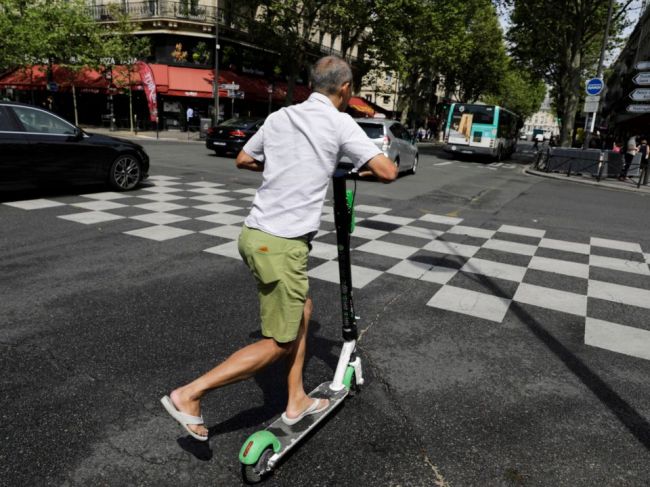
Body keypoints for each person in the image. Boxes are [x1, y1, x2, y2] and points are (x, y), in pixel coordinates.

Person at [160, 55, 397, 441]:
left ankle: (296, 399)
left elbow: (243, 159)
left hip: (254, 234)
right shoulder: (339, 122)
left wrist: (286, 169)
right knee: (278, 344)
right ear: (346, 89)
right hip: (282, 244)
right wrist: (345, 169)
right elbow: (386, 171)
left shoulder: (280, 117)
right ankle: (189, 394)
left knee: (303, 309)